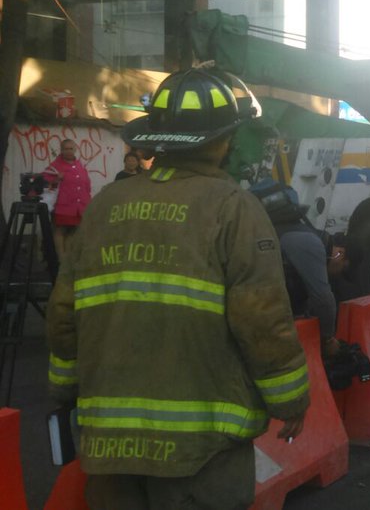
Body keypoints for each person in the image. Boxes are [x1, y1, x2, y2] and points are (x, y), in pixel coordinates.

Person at [46, 67, 310, 510]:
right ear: (224, 140)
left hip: (109, 448)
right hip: (201, 454)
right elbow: (262, 318)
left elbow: (63, 313)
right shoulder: (233, 209)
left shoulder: (104, 206)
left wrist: (63, 390)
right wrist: (291, 399)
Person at [251, 181, 344, 359]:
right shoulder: (306, 241)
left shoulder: (263, 232)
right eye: (341, 262)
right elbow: (323, 298)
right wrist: (328, 339)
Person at [43, 139, 92, 260]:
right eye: (66, 149)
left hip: (79, 206)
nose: (69, 151)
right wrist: (56, 179)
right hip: (63, 206)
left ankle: (68, 258)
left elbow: (87, 185)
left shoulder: (79, 165)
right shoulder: (55, 166)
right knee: (60, 230)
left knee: (74, 231)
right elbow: (45, 185)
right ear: (62, 150)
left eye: (71, 148)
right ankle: (61, 258)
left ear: (75, 149)